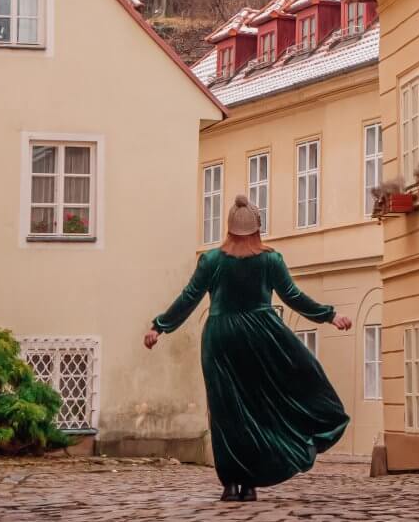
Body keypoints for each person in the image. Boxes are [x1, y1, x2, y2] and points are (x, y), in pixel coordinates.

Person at [144, 194, 352, 502]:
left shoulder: (212, 261)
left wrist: (159, 326)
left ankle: (230, 483)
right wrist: (330, 316)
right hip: (260, 337)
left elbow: (189, 297)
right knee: (259, 409)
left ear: (228, 230)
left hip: (221, 339)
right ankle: (251, 481)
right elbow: (293, 296)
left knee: (226, 413)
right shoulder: (270, 260)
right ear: (257, 229)